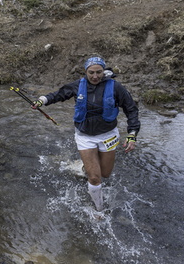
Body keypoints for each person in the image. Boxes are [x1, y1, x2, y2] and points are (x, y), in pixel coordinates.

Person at [32, 56, 140, 211]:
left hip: (108, 135)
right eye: (91, 73)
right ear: (85, 72)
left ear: (104, 71)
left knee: (105, 174)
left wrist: (132, 134)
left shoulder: (116, 87)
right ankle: (99, 209)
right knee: (95, 178)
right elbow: (58, 94)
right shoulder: (78, 86)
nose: (95, 76)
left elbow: (131, 110)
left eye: (98, 72)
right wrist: (42, 100)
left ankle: (86, 168)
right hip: (85, 136)